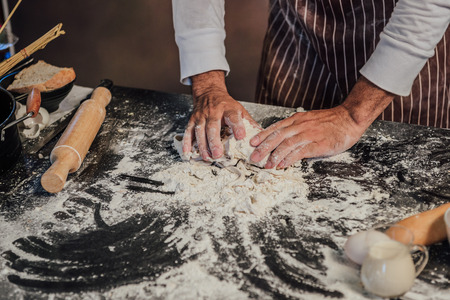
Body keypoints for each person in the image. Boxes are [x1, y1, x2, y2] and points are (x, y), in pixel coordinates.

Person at [172, 0, 449, 169]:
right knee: (275, 159)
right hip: (297, 34)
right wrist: (208, 84)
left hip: (402, 34)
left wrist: (355, 115)